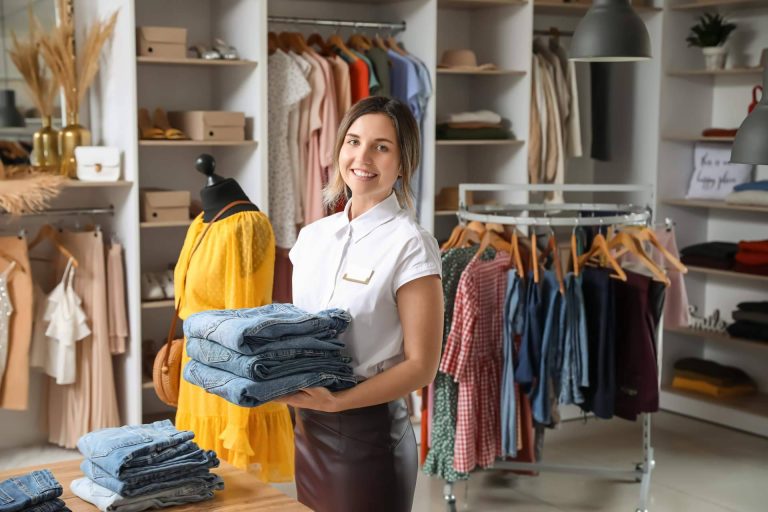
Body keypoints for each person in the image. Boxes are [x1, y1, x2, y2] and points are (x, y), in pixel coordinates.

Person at [280, 96, 444, 512]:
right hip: (309, 430)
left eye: (381, 147)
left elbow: (421, 365)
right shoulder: (312, 238)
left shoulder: (410, 244)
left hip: (369, 436)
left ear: (403, 162)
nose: (362, 157)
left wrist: (339, 402)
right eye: (353, 141)